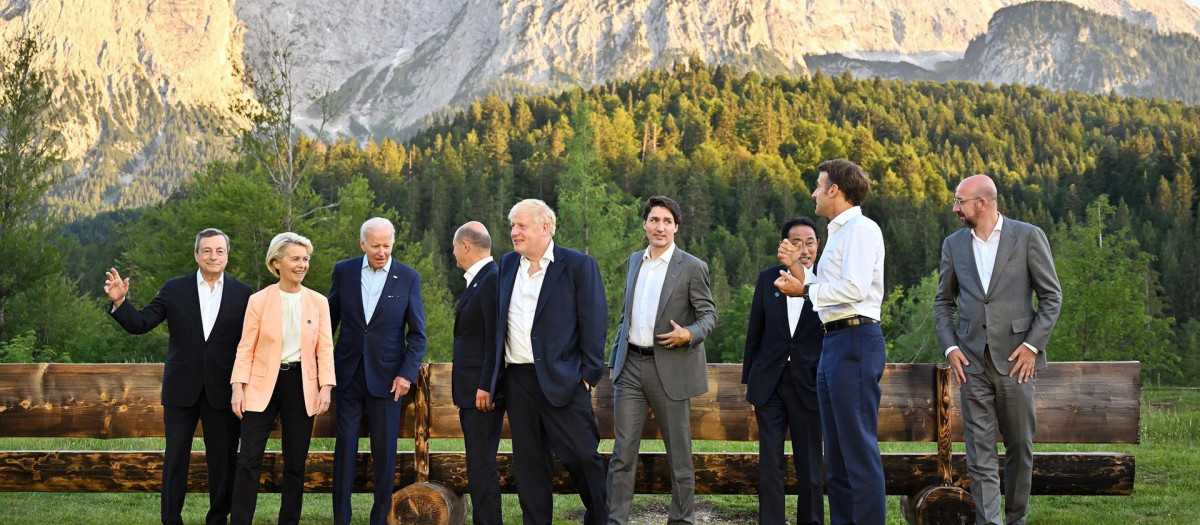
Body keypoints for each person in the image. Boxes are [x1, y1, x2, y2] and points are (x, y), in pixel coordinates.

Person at [934, 174, 1062, 525]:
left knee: (1020, 446)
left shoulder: (1028, 236)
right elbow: (943, 303)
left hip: (1017, 362)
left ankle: (1016, 519)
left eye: (960, 201)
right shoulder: (953, 244)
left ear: (982, 203)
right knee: (979, 452)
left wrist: (1033, 346)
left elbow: (1052, 297)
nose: (955, 208)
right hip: (971, 364)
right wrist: (950, 348)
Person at [105, 228, 252, 525]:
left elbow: (252, 343)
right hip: (180, 391)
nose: (213, 256)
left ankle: (217, 520)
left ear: (227, 255)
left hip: (224, 391)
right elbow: (141, 323)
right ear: (196, 255)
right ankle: (171, 520)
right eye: (207, 251)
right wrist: (120, 303)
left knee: (222, 463)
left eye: (219, 251)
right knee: (175, 461)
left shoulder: (244, 293)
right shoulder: (175, 289)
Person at [482, 198, 608, 525]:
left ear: (545, 227)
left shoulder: (578, 265)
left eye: (521, 226)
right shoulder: (508, 264)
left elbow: (594, 323)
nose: (514, 232)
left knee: (583, 456)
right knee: (530, 466)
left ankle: (600, 519)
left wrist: (587, 377)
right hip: (518, 382)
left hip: (565, 381)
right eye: (512, 226)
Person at [775, 158, 886, 524]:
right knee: (836, 456)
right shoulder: (839, 232)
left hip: (855, 339)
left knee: (857, 451)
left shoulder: (861, 230)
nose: (814, 191)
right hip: (834, 342)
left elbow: (854, 288)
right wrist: (798, 270)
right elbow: (826, 286)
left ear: (834, 190)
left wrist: (805, 287)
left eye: (818, 184)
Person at [606, 196, 717, 525]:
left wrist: (689, 334)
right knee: (622, 454)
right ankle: (615, 521)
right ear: (645, 224)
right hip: (630, 369)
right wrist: (615, 358)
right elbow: (625, 315)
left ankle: (681, 521)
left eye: (667, 221)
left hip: (671, 366)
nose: (660, 227)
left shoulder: (692, 267)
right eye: (654, 220)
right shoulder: (633, 261)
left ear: (676, 228)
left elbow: (709, 316)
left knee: (679, 457)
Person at [229, 232, 335, 525]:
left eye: (305, 259)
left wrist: (326, 387)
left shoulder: (318, 302)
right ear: (276, 263)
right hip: (260, 385)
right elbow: (245, 347)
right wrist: (237, 387)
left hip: (301, 386)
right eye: (295, 259)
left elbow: (325, 348)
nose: (302, 265)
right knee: (249, 460)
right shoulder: (258, 301)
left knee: (296, 463)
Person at [329, 217, 427, 525]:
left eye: (386, 245)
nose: (381, 251)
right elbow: (327, 324)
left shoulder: (408, 277)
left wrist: (406, 373)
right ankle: (341, 519)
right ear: (363, 244)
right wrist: (322, 369)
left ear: (392, 244)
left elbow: (418, 334)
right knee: (344, 449)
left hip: (389, 381)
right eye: (375, 246)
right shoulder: (343, 271)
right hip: (347, 376)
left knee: (385, 455)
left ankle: (379, 520)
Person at [743, 217, 824, 525]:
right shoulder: (767, 279)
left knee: (810, 465)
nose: (804, 249)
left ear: (819, 245)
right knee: (770, 464)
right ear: (784, 246)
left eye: (811, 242)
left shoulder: (825, 283)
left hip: (810, 383)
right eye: (797, 242)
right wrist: (750, 380)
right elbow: (755, 331)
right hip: (770, 384)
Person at [450, 221, 504, 525]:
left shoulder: (491, 280)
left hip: (482, 394)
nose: (454, 252)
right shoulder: (478, 280)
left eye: (455, 246)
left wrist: (487, 385)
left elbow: (495, 339)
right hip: (473, 391)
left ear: (465, 246)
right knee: (477, 464)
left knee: (481, 466)